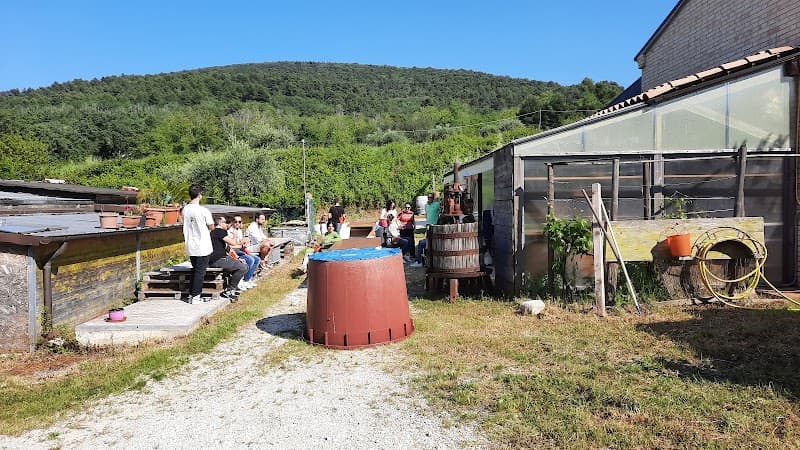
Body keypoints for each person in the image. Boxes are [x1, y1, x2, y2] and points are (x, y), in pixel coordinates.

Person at [182, 184, 214, 305]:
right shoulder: (203, 210)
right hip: (202, 245)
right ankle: (196, 297)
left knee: (195, 270)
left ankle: (191, 294)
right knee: (200, 272)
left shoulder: (185, 209)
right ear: (200, 195)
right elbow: (211, 226)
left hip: (190, 244)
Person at [208, 215, 248, 301]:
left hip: (219, 258)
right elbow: (233, 243)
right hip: (217, 260)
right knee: (243, 268)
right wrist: (235, 235)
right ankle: (229, 290)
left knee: (243, 265)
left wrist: (237, 258)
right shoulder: (220, 231)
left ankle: (233, 287)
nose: (227, 225)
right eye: (226, 222)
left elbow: (228, 248)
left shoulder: (215, 232)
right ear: (220, 223)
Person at [228, 215, 260, 289]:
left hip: (239, 250)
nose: (237, 223)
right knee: (250, 260)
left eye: (239, 222)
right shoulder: (229, 231)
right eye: (235, 221)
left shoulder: (239, 230)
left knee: (257, 259)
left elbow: (240, 242)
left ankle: (247, 279)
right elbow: (230, 246)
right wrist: (241, 245)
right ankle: (241, 281)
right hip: (232, 252)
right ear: (232, 222)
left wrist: (245, 242)